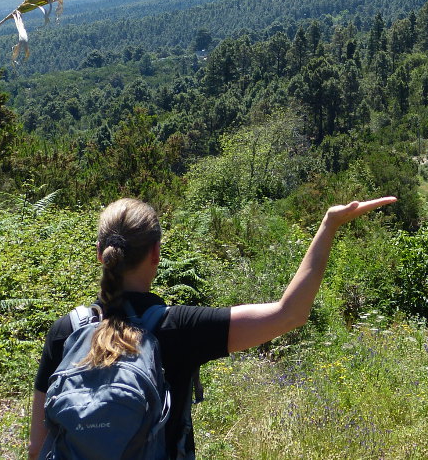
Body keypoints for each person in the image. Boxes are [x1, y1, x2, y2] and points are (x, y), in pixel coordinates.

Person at [29, 195, 396, 460]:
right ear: (156, 254)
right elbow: (290, 313)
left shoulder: (66, 331)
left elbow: (37, 446)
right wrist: (329, 224)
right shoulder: (178, 328)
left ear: (100, 254)